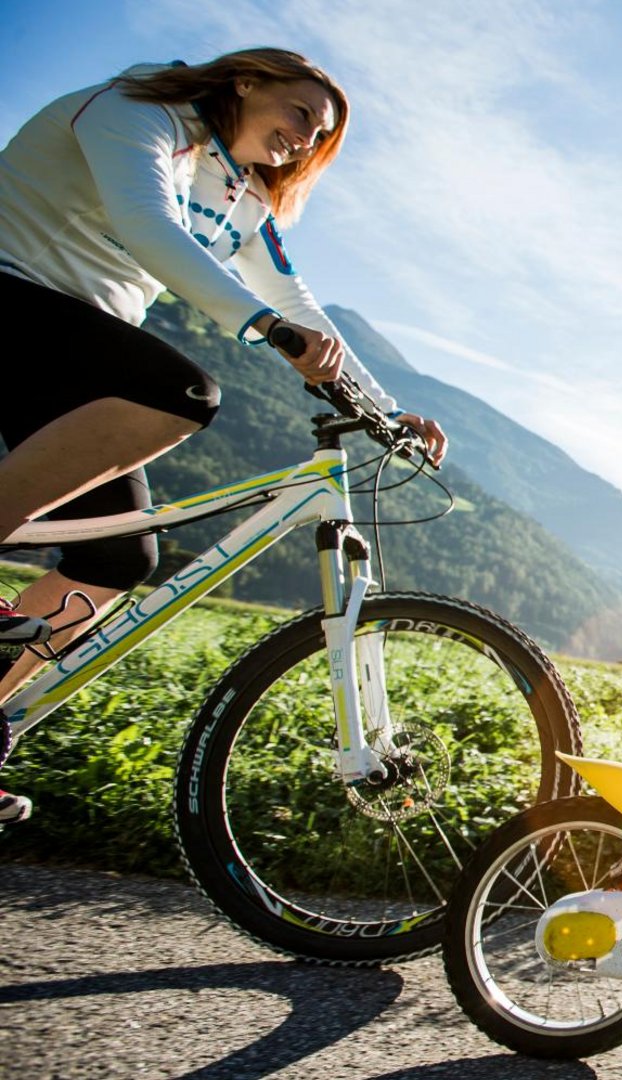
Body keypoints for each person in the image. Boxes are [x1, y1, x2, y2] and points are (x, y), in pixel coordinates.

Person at [0, 48, 449, 825]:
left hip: (73, 345)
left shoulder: (241, 196)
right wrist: (263, 328)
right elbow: (146, 225)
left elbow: (291, 293)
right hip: (12, 294)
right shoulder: (133, 115)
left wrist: (388, 410)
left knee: (117, 557)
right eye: (303, 115)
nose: (307, 140)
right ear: (246, 82)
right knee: (177, 392)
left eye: (321, 137)